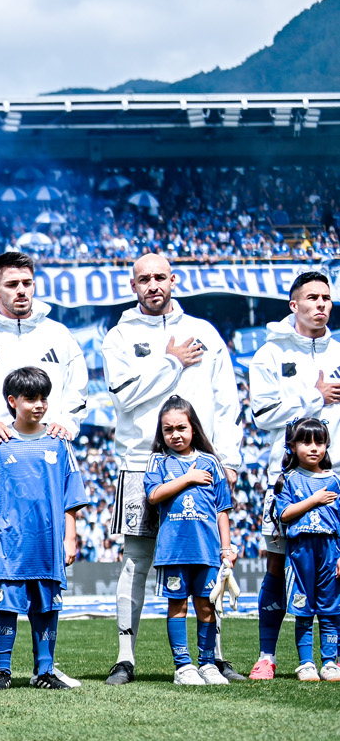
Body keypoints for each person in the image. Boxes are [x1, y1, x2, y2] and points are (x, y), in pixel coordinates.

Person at [0, 252, 87, 690]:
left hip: (44, 468)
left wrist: (68, 421)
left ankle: (46, 664)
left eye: (27, 282)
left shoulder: (58, 335)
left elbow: (78, 393)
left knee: (42, 563)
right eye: (11, 284)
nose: (21, 291)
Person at [101, 253, 242, 686]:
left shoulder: (205, 332)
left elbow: (227, 400)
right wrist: (171, 361)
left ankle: (213, 657)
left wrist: (228, 458)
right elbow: (123, 395)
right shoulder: (119, 337)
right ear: (133, 285)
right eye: (144, 278)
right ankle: (125, 658)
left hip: (201, 464)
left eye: (160, 276)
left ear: (173, 279)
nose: (153, 284)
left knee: (206, 561)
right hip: (141, 464)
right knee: (136, 561)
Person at [0, 367, 89, 690]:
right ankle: (2, 671)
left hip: (48, 543)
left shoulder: (59, 441)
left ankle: (44, 671)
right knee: (6, 605)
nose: (39, 405)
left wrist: (70, 537)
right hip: (11, 542)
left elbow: (72, 496)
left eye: (44, 398)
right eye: (31, 398)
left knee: (47, 605)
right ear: (12, 401)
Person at [246, 271, 340, 679]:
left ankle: (332, 655)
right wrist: (313, 398)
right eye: (312, 297)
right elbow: (262, 414)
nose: (321, 304)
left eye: (326, 298)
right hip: (287, 477)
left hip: (335, 478)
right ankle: (268, 655)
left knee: (336, 567)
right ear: (294, 304)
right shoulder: (270, 354)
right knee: (276, 563)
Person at [143, 397, 236, 685]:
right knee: (178, 606)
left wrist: (226, 549)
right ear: (161, 432)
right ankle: (183, 666)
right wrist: (188, 478)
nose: (175, 434)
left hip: (207, 550)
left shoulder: (211, 462)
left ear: (193, 428)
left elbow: (222, 510)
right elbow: (153, 495)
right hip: (173, 551)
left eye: (181, 427)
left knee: (206, 606)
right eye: (168, 429)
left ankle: (207, 664)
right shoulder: (158, 461)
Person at [272, 418, 340, 682]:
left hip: (330, 550)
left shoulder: (335, 481)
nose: (313, 448)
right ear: (292, 446)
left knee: (331, 609)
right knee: (303, 608)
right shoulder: (288, 480)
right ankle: (306, 663)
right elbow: (284, 514)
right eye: (306, 442)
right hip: (300, 552)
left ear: (326, 446)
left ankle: (330, 662)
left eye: (319, 442)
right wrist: (314, 499)